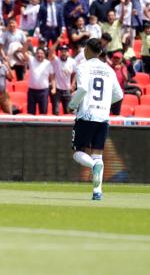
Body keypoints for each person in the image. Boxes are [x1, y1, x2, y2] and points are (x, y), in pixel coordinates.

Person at [68, 38, 123, 201]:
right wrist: (106, 104)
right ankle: (97, 191)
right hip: (103, 116)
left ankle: (93, 166)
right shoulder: (109, 70)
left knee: (78, 153)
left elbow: (83, 88)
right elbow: (119, 95)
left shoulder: (83, 67)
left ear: (86, 50)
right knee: (98, 155)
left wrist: (72, 104)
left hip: (86, 115)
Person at [49, 44, 75, 115]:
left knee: (68, 112)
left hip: (67, 90)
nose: (63, 53)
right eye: (62, 51)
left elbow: (75, 73)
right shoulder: (56, 60)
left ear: (68, 52)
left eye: (65, 51)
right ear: (59, 52)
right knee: (56, 112)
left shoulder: (72, 62)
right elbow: (50, 52)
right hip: (57, 90)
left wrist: (73, 84)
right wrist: (57, 41)